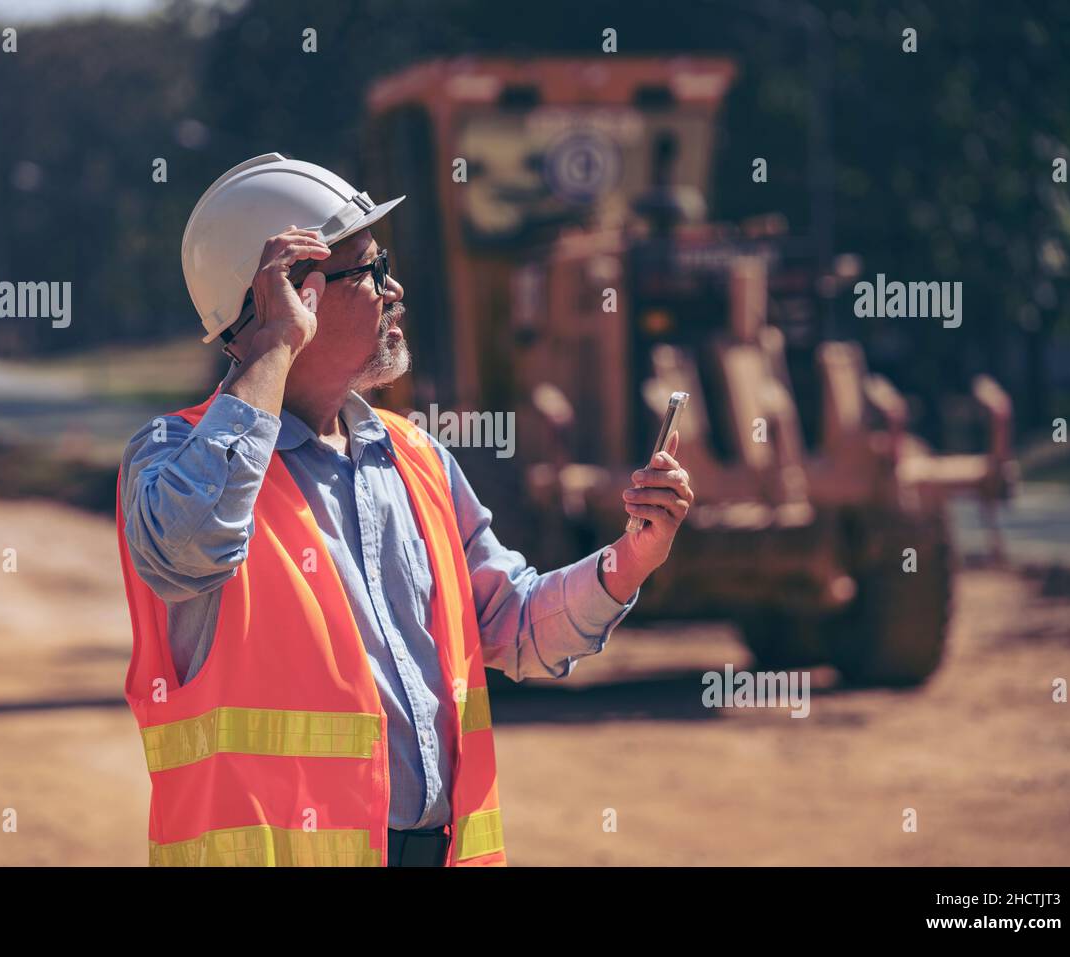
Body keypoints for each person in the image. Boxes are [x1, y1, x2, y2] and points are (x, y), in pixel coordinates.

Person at [116, 154, 694, 867]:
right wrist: (269, 352)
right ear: (298, 298)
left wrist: (628, 561)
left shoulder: (414, 458)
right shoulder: (175, 454)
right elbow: (187, 547)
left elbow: (511, 626)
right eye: (372, 267)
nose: (395, 289)